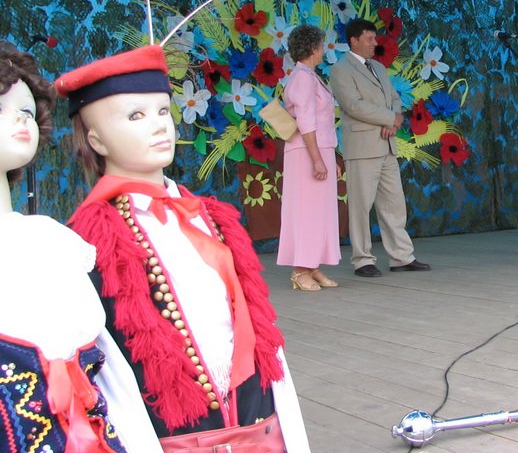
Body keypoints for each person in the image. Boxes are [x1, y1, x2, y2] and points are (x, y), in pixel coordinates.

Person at [54, 45, 310, 451]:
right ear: (96, 140)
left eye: (162, 110)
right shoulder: (91, 238)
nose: (159, 125)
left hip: (259, 431)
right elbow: (104, 371)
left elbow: (260, 337)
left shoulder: (214, 218)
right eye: (135, 116)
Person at [0, 41, 161, 452]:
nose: (20, 120)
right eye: (1, 108)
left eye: (27, 111)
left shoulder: (51, 242)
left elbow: (112, 376)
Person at [329, 18, 430, 277]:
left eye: (375, 38)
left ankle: (401, 256)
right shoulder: (341, 69)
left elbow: (394, 99)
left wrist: (393, 121)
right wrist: (389, 118)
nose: (375, 43)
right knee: (361, 206)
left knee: (394, 203)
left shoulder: (378, 67)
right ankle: (362, 260)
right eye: (370, 38)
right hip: (362, 147)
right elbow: (353, 105)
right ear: (354, 40)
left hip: (386, 144)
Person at [278, 25, 341, 291]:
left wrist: (328, 157)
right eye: (322, 45)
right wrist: (316, 159)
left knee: (318, 211)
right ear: (314, 48)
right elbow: (306, 120)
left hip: (317, 148)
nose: (323, 50)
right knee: (306, 210)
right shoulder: (303, 78)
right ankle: (299, 269)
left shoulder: (309, 76)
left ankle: (311, 265)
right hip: (306, 151)